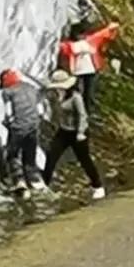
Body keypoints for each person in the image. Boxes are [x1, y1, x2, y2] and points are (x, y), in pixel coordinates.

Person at [39, 69, 105, 200]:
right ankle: (44, 184)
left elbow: (83, 116)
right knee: (52, 155)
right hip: (64, 131)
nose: (57, 89)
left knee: (84, 159)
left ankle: (98, 186)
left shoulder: (76, 97)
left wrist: (80, 133)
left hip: (78, 132)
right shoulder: (57, 95)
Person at [56, 19, 122, 126]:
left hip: (89, 71)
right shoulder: (79, 44)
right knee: (78, 92)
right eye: (80, 34)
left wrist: (111, 28)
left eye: (82, 34)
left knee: (87, 93)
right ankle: (76, 111)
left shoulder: (86, 42)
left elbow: (102, 34)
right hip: (80, 71)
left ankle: (85, 113)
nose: (81, 36)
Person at [0, 68, 45, 193]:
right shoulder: (31, 88)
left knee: (13, 155)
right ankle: (35, 181)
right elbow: (40, 110)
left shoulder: (8, 92)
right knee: (30, 155)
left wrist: (7, 123)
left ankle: (19, 180)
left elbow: (8, 113)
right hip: (33, 126)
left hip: (18, 128)